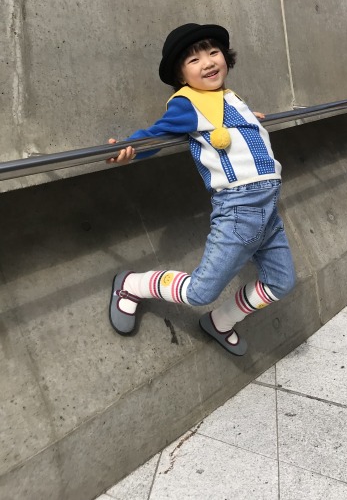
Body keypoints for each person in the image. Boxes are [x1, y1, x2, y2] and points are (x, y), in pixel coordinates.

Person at [107, 23, 295, 356]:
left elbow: (236, 128)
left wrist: (250, 117)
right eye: (193, 60)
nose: (207, 62)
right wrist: (128, 147)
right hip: (238, 208)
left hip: (267, 208)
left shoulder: (230, 97)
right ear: (180, 75)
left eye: (212, 52)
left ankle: (220, 322)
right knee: (199, 293)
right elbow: (156, 134)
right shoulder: (187, 103)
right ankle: (132, 285)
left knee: (281, 282)